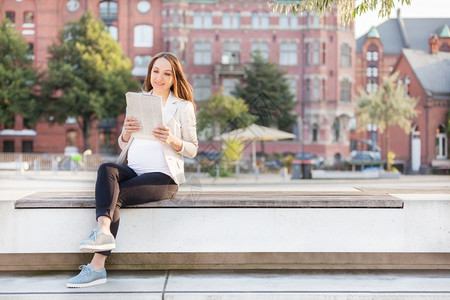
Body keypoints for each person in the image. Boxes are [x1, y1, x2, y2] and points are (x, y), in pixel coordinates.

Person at [67, 52, 198, 288]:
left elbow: (192, 149)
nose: (160, 77)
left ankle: (97, 267)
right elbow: (124, 143)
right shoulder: (138, 100)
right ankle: (104, 230)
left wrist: (171, 139)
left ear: (174, 77)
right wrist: (126, 132)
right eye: (156, 71)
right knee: (107, 168)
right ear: (150, 73)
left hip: (163, 178)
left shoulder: (183, 107)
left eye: (167, 73)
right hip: (134, 170)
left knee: (113, 198)